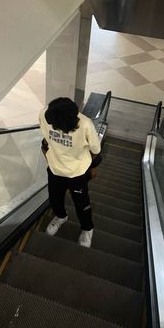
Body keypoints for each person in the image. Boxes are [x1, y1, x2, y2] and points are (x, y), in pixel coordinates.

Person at [39, 97, 101, 248]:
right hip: (55, 170)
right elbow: (46, 139)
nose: (50, 123)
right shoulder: (45, 115)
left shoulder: (85, 125)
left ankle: (87, 229)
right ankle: (61, 217)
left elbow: (95, 150)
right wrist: (47, 153)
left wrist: (93, 167)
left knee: (82, 203)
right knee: (54, 198)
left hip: (77, 173)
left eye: (54, 124)